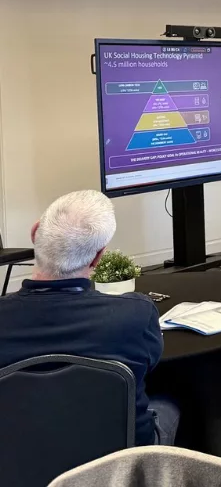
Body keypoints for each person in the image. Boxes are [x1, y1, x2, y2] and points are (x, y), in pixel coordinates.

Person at [0, 190, 177, 447]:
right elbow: (150, 365)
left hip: (17, 459)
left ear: (35, 233)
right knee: (170, 402)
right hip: (119, 462)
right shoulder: (136, 315)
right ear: (97, 257)